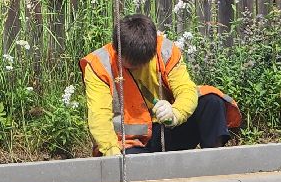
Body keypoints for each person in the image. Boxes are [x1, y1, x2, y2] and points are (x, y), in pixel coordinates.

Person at [81, 13, 241, 156]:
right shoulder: (99, 65)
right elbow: (99, 117)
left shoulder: (165, 50)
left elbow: (186, 89)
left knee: (211, 101)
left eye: (144, 63)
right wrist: (112, 152)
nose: (139, 67)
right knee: (132, 164)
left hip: (168, 130)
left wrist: (175, 114)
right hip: (129, 144)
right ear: (117, 51)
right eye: (132, 65)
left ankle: (214, 163)